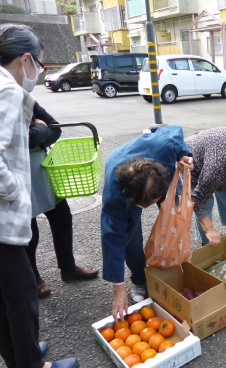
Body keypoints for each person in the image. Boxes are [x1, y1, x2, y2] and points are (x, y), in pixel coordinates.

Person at [0, 23, 79, 368]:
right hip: (2, 219)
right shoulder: (8, 91)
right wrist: (15, 192)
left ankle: (21, 356)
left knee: (5, 299)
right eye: (40, 65)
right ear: (27, 59)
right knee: (21, 298)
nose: (38, 73)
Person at [101, 125, 193, 321]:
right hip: (122, 166)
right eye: (143, 205)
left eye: (152, 202)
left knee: (173, 220)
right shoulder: (115, 197)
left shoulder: (165, 146)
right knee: (130, 240)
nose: (148, 208)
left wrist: (184, 155)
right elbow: (112, 242)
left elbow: (175, 131)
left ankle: (170, 269)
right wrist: (118, 290)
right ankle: (139, 280)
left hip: (154, 173)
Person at [27, 102, 98, 299]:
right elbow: (27, 139)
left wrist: (37, 133)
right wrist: (40, 128)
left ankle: (68, 268)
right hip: (16, 173)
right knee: (28, 232)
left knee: (62, 217)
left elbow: (55, 128)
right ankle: (33, 277)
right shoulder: (6, 98)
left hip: (42, 167)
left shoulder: (27, 99)